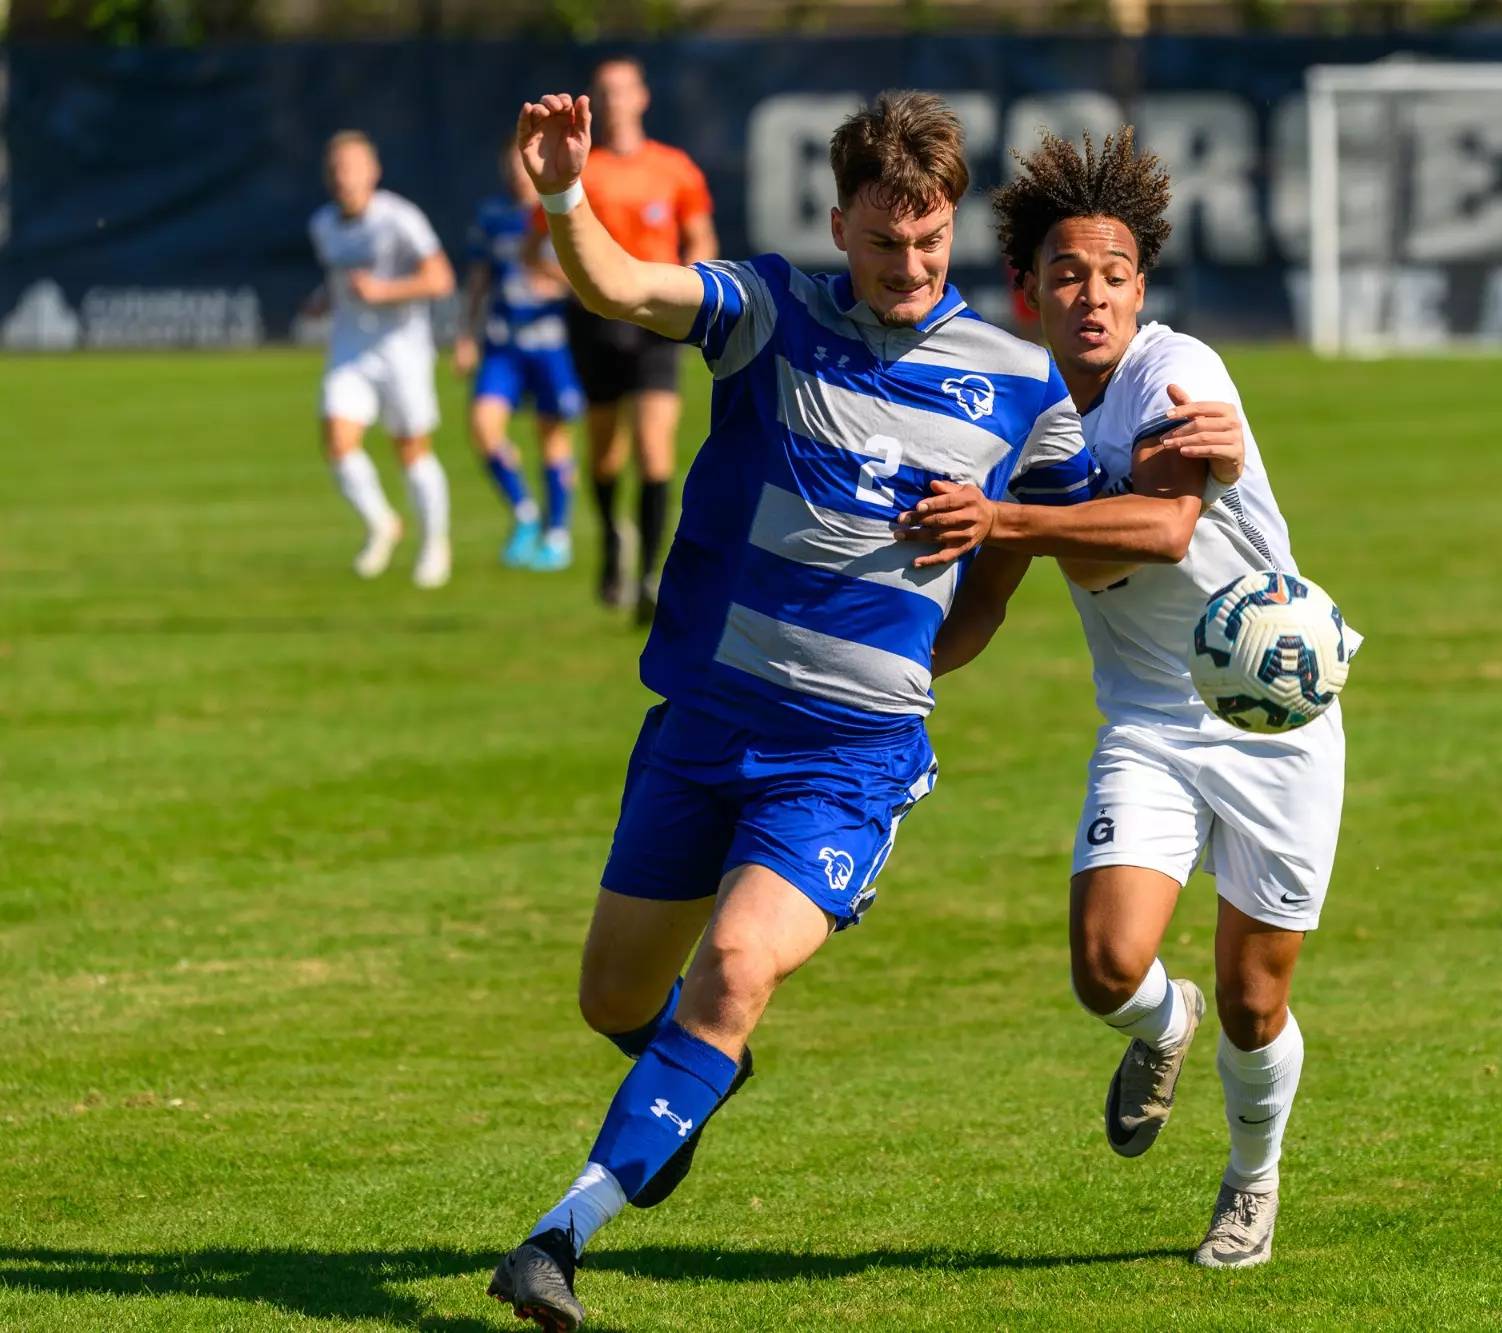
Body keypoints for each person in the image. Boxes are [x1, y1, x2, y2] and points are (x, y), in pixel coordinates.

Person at [486, 89, 1246, 1331]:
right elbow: (622, 286)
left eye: (931, 240)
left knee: (733, 967)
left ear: (952, 229)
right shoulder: (769, 313)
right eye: (885, 241)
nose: (909, 265)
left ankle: (556, 1237)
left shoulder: (1016, 386)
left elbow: (1116, 540)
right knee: (618, 1002)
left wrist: (1194, 460)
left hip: (845, 760)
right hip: (702, 725)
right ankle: (687, 1081)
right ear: (838, 223)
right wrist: (566, 191)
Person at [919, 128, 1362, 1270]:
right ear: (1027, 294)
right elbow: (981, 609)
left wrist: (1002, 517)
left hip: (1275, 717)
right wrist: (882, 672)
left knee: (1256, 1000)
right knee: (1106, 966)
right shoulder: (1018, 422)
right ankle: (1163, 1030)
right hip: (1152, 725)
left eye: (1115, 274)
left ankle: (1249, 1181)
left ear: (1140, 287)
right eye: (1067, 274)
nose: (1094, 295)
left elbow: (1162, 528)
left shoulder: (1180, 371)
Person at [565, 56, 717, 621]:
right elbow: (548, 244)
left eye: (623, 90)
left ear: (642, 98)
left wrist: (697, 289)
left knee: (655, 450)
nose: (614, 101)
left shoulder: (674, 168)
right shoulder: (583, 171)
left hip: (657, 320)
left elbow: (699, 234)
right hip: (596, 322)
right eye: (603, 91)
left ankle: (650, 576)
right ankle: (611, 538)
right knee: (605, 454)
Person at [309, 131, 456, 588]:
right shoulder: (323, 225)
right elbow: (341, 282)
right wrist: (321, 300)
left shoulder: (399, 219)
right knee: (337, 438)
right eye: (335, 170)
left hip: (402, 352)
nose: (343, 178)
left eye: (351, 168)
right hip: (351, 350)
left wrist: (384, 292)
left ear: (373, 172)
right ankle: (382, 523)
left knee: (410, 450)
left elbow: (441, 279)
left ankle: (435, 543)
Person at [456, 141, 582, 570]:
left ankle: (558, 533)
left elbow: (588, 275)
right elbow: (478, 279)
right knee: (483, 426)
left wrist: (556, 283)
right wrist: (466, 335)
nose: (517, 174)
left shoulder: (562, 211)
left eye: (522, 166)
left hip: (550, 342)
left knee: (552, 436)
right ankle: (526, 514)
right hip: (503, 343)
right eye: (510, 166)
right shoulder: (492, 216)